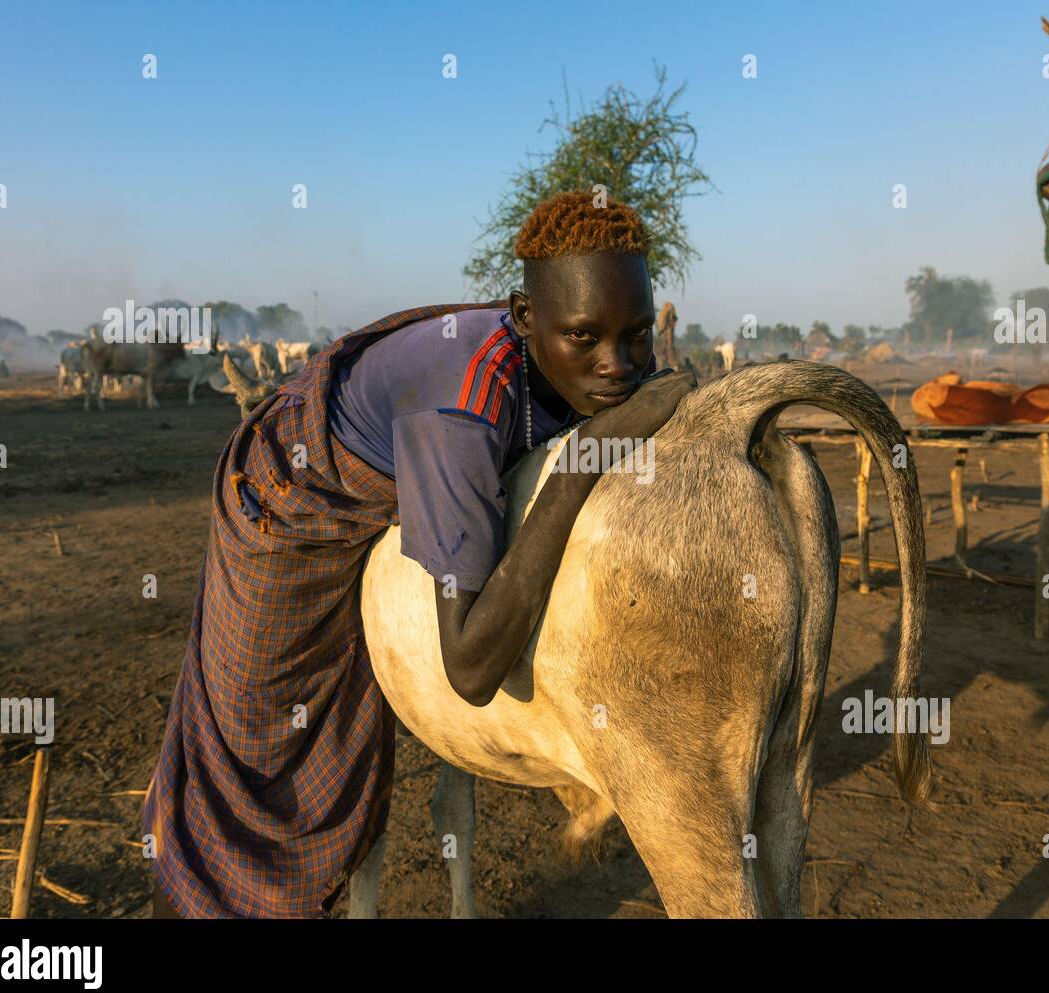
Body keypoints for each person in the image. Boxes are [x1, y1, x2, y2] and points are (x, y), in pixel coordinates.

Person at [143, 190, 695, 917]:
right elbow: (468, 668)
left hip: (389, 478)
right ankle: (188, 900)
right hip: (286, 501)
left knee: (349, 733)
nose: (617, 366)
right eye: (585, 337)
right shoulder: (461, 405)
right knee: (254, 758)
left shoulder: (562, 363)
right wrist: (581, 463)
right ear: (525, 318)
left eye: (636, 338)